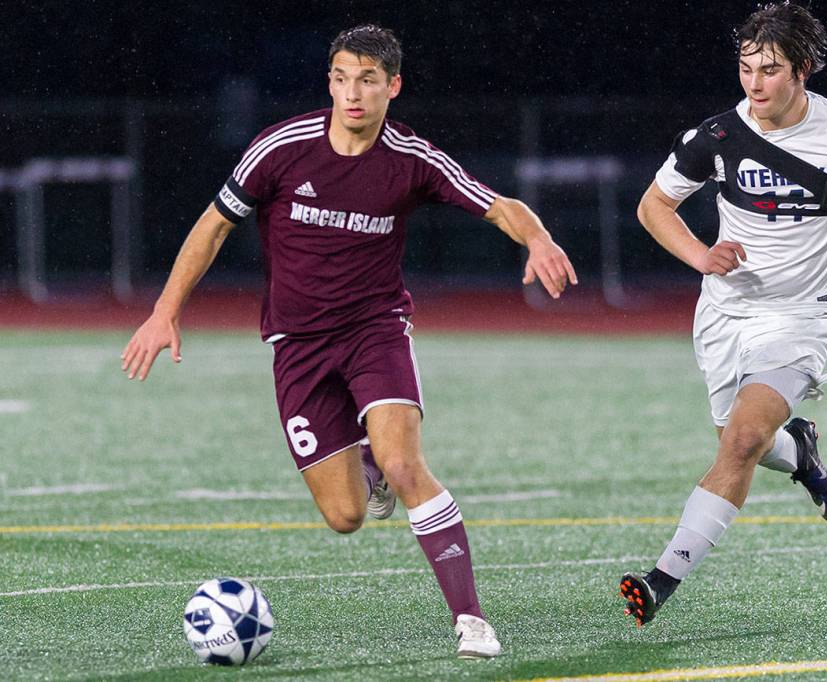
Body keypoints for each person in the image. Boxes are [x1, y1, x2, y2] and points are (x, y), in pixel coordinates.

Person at [121, 24, 577, 657]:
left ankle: (470, 618)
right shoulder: (282, 148)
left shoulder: (412, 160)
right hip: (297, 346)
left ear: (393, 86)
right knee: (345, 517)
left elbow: (499, 204)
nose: (352, 93)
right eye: (341, 78)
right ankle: (367, 463)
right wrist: (164, 312)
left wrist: (539, 238)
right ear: (329, 82)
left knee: (405, 464)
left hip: (375, 332)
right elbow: (213, 227)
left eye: (367, 80)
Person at [620, 2, 827, 627]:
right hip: (726, 314)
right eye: (745, 68)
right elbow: (654, 207)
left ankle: (661, 581)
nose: (753, 83)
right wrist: (701, 254)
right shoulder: (715, 137)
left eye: (769, 69)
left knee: (741, 440)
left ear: (803, 71)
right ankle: (799, 452)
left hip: (803, 314)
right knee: (741, 440)